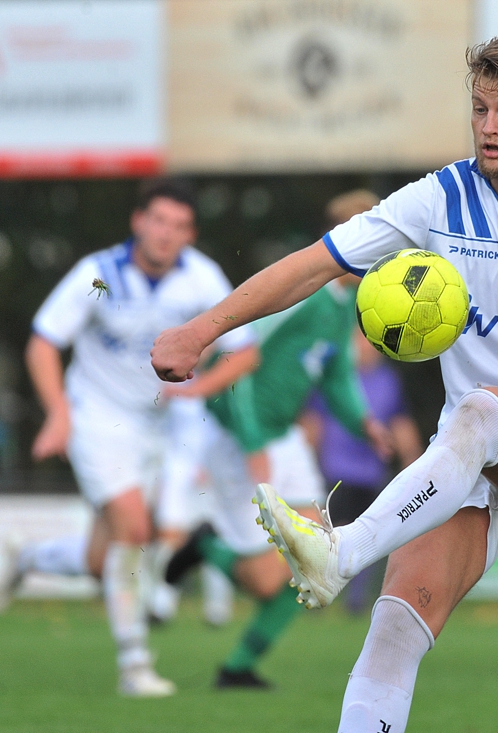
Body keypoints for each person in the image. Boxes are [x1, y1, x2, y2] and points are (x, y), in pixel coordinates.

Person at [151, 33, 498, 732]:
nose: (490, 127)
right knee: (395, 628)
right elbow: (315, 264)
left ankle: (340, 550)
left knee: (479, 408)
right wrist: (203, 329)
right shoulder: (441, 196)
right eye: (479, 109)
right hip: (474, 455)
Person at [24, 179, 257, 696]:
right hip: (94, 417)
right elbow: (43, 343)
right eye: (158, 221)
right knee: (134, 532)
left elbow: (244, 350)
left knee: (99, 559)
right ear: (138, 221)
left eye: (178, 226)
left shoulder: (201, 278)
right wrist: (58, 414)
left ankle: (25, 557)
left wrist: (200, 391)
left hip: (156, 428)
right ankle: (134, 665)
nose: (166, 233)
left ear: (189, 233)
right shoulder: (98, 274)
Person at [164, 263, 392, 688]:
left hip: (284, 438)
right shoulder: (302, 294)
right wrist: (252, 443)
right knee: (267, 581)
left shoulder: (346, 304)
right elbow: (240, 359)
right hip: (240, 438)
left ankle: (237, 668)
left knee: (319, 566)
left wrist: (364, 422)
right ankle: (208, 547)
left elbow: (336, 374)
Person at [301, 325, 425, 613]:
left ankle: (355, 599)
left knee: (365, 533)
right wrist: (309, 462)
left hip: (370, 471)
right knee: (333, 532)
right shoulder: (335, 377)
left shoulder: (388, 380)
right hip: (335, 468)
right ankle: (321, 591)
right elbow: (313, 423)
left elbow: (399, 420)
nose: (364, 347)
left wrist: (413, 460)